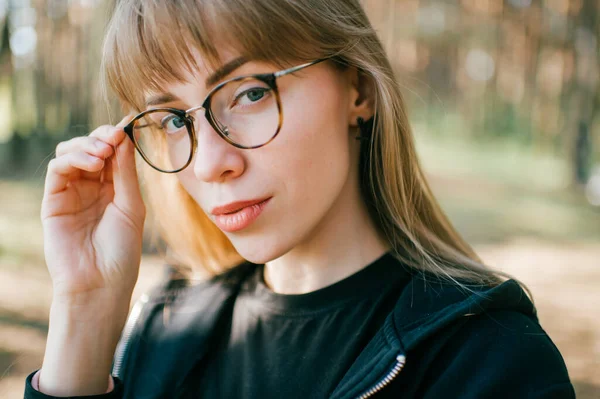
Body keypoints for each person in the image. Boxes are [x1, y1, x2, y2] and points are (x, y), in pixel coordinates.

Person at [25, 0, 574, 398]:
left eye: (252, 93)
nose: (211, 162)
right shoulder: (164, 328)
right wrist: (85, 310)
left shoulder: (490, 364)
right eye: (173, 119)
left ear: (357, 89)